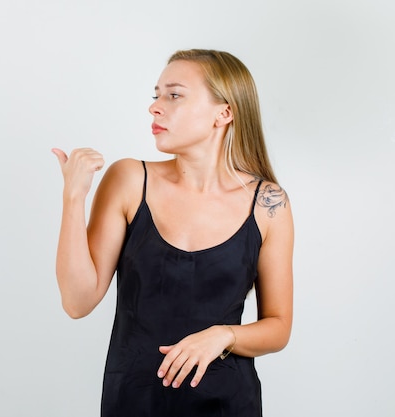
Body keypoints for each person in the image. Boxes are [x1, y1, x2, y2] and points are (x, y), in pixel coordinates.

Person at [51, 49, 293, 417]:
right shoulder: (130, 180)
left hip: (228, 404)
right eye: (156, 95)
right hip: (133, 402)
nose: (155, 107)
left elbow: (278, 327)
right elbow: (77, 301)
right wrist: (74, 197)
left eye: (174, 95)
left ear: (223, 113)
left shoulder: (268, 203)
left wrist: (223, 335)